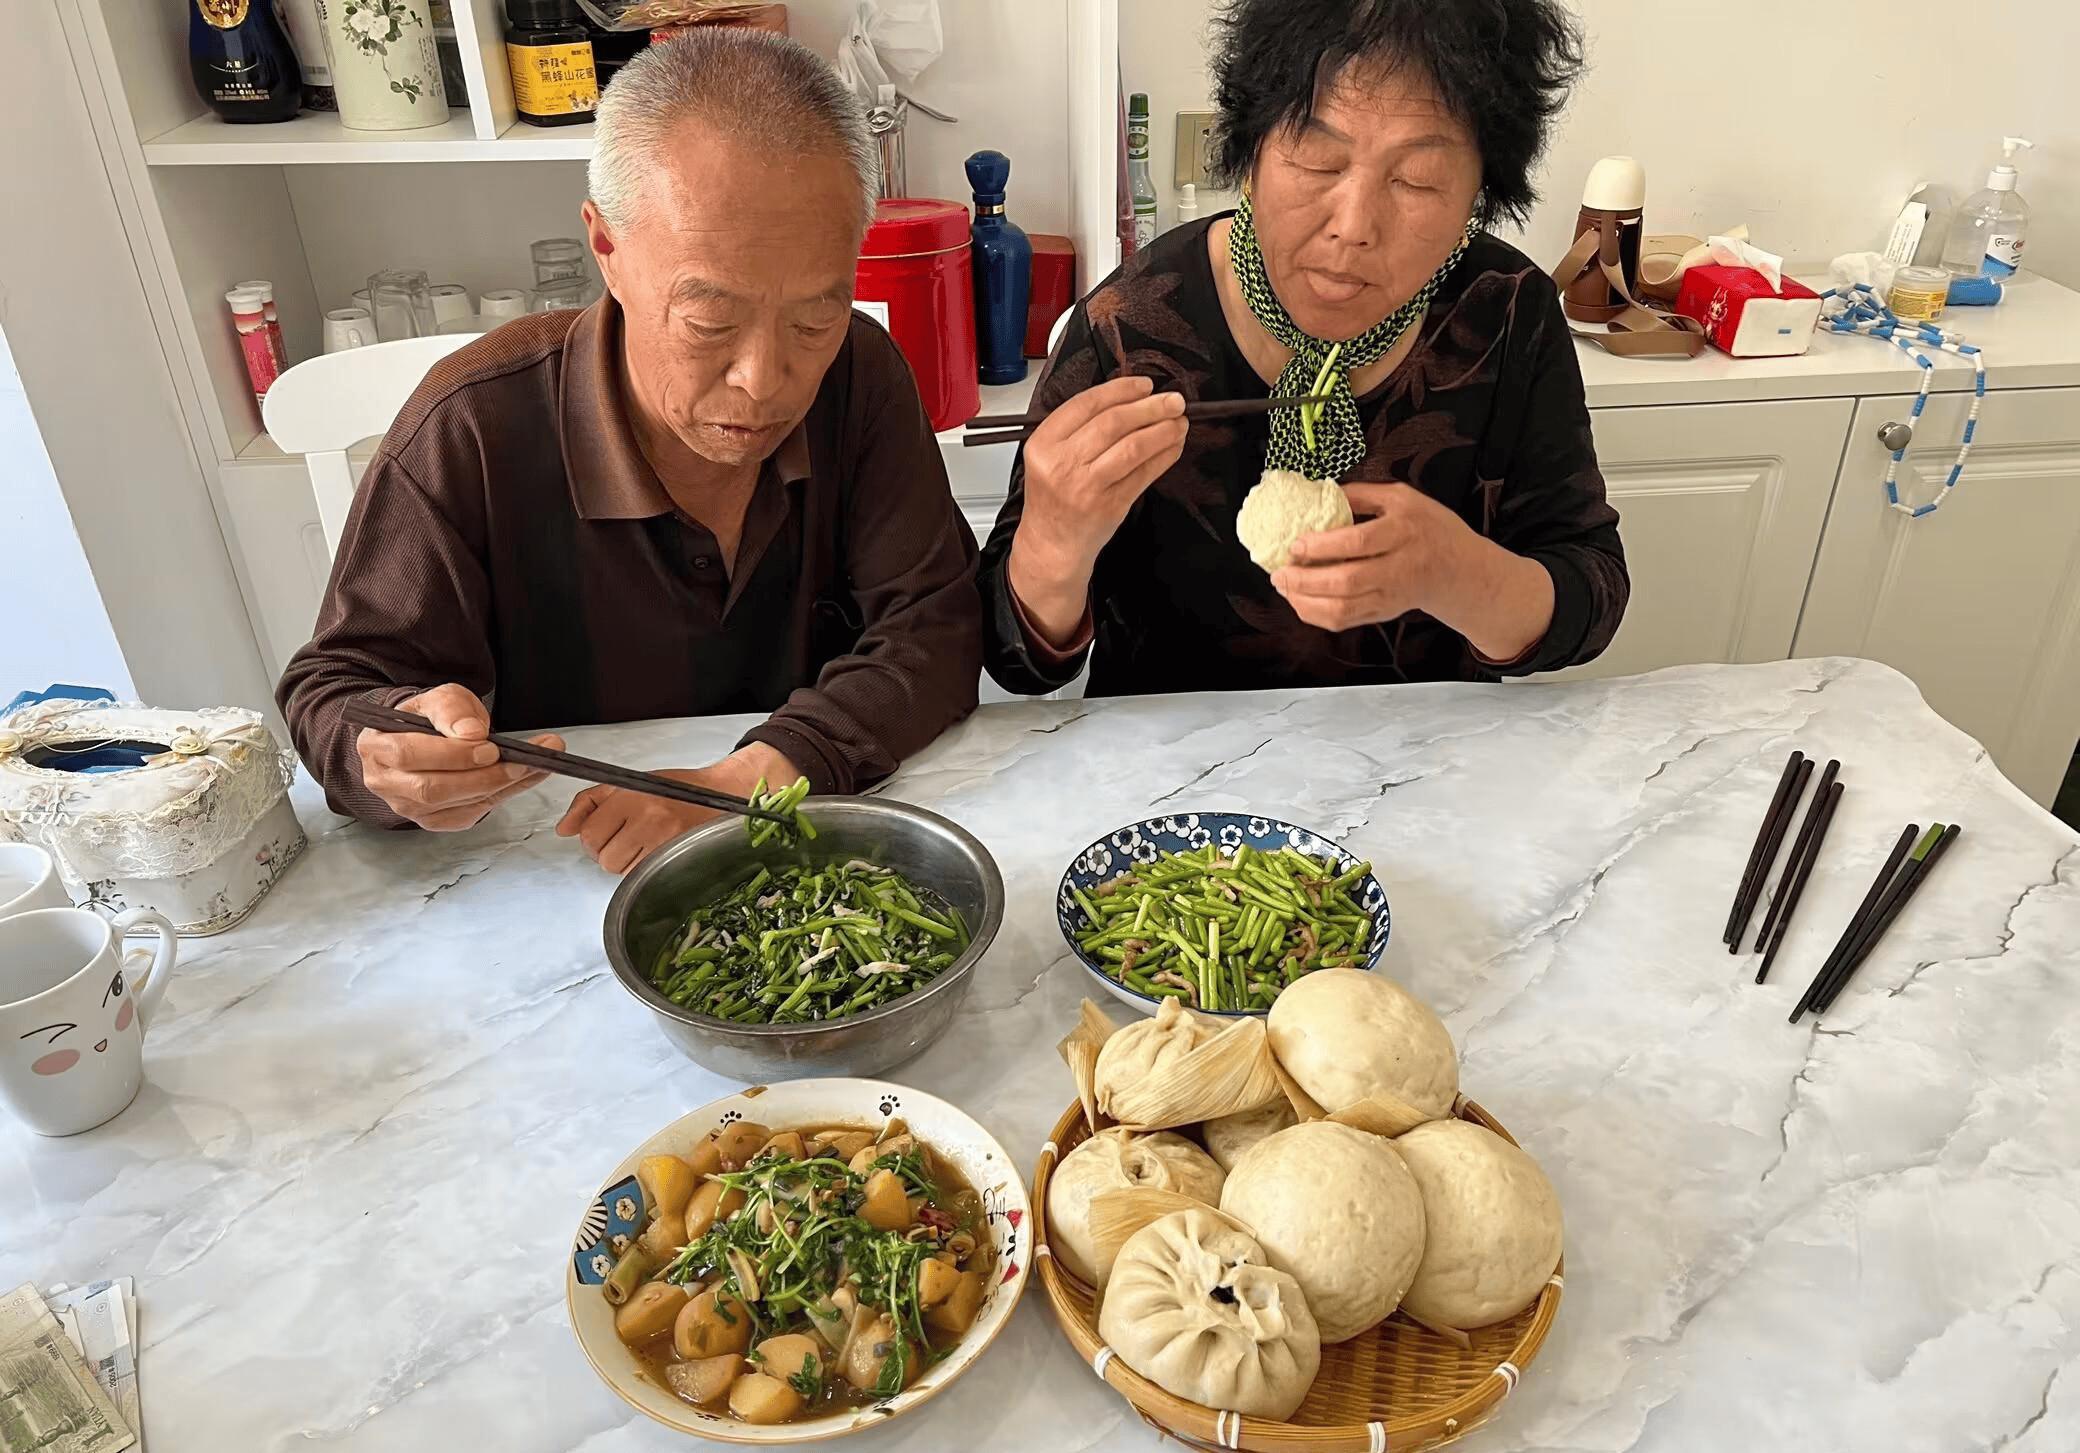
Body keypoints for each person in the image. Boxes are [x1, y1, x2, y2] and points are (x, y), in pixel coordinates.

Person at [278, 31, 981, 874]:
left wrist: (743, 782)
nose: (763, 381)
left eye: (813, 319)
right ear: (605, 248)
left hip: (817, 858)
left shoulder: (859, 374)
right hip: (561, 872)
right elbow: (337, 689)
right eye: (710, 321)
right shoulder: (474, 425)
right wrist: (392, 757)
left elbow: (935, 627)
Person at [982, 0, 1627, 697]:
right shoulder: (1128, 327)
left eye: (1417, 179)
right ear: (1250, 152)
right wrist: (1052, 545)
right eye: (1319, 160)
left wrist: (1464, 577)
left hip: (1427, 755)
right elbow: (1015, 663)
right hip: (1175, 760)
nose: (1354, 225)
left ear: (1479, 195)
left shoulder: (1507, 314)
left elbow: (1590, 590)